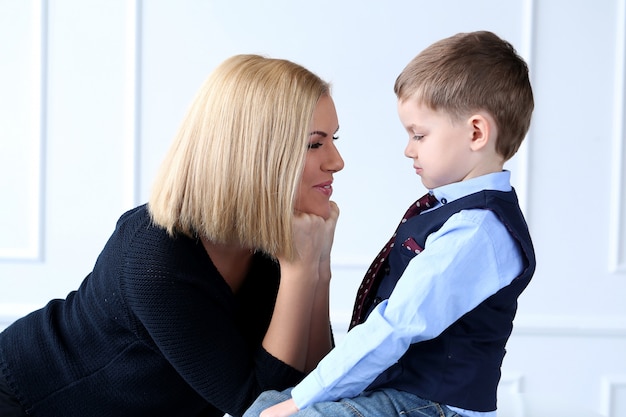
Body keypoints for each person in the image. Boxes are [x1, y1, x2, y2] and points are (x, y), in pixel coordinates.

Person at [0, 54, 344, 417]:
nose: (337, 162)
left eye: (334, 139)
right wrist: (301, 271)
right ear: (254, 152)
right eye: (315, 144)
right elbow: (265, 407)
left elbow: (316, 386)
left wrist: (318, 267)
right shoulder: (155, 256)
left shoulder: (265, 240)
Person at [244, 30, 536, 417]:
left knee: (297, 411)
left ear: (476, 132)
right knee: (267, 403)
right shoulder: (457, 213)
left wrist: (304, 399)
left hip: (435, 405)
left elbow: (396, 325)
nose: (408, 149)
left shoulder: (477, 231)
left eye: (419, 135)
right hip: (404, 393)